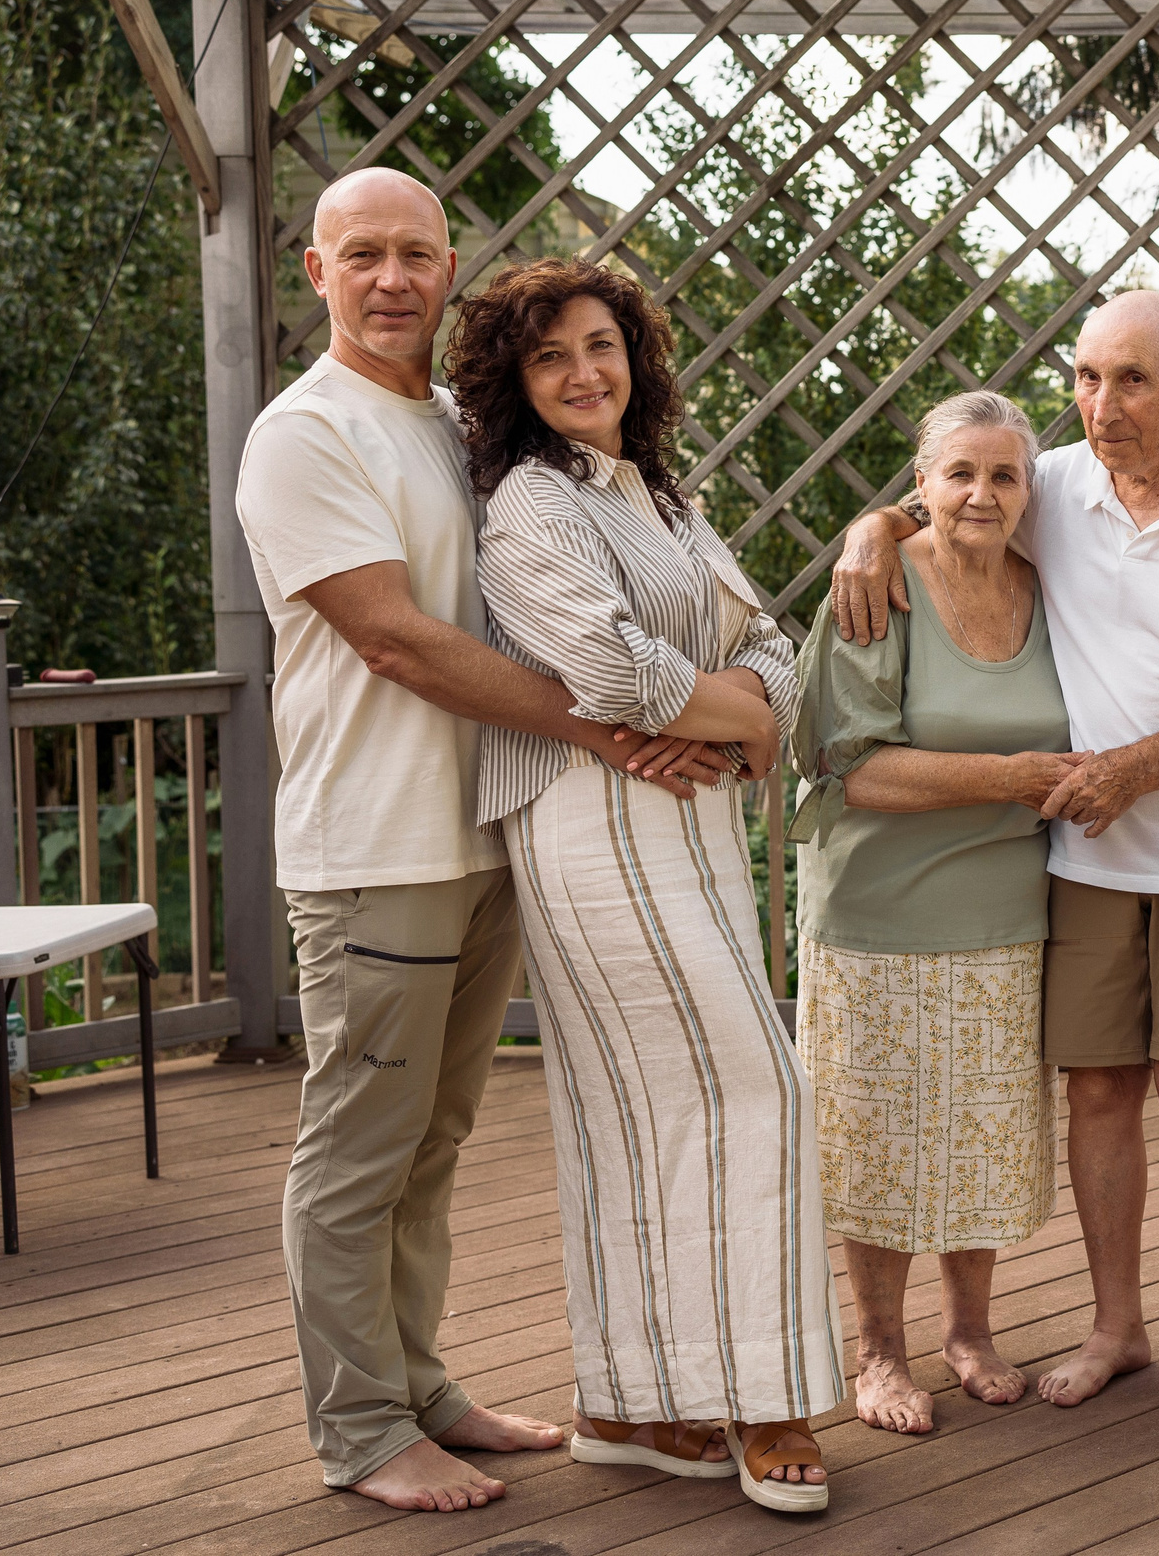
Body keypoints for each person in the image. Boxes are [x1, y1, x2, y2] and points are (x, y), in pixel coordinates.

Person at [237, 170, 723, 1513]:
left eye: (415, 253)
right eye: (363, 255)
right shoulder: (305, 432)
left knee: (434, 1137)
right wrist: (608, 725)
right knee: (357, 1148)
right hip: (375, 844)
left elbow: (586, 571)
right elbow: (397, 636)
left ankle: (421, 1384)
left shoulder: (462, 424)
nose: (392, 278)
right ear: (318, 271)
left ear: (449, 270)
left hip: (485, 834)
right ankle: (359, 1425)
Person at [827, 291, 1159, 1423]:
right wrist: (872, 528)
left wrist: (1133, 770)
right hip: (1084, 860)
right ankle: (1116, 1327)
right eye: (1087, 378)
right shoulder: (1054, 485)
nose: (1103, 406)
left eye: (1133, 380)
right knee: (1098, 1091)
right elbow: (953, 499)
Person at [450, 258, 838, 1513]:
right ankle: (767, 1397)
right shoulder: (530, 504)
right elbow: (607, 676)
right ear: (515, 381)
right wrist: (738, 720)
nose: (581, 372)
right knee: (757, 1084)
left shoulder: (661, 497)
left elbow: (772, 645)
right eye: (549, 355)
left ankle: (631, 1402)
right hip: (595, 818)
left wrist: (739, 720)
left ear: (636, 358)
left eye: (600, 345)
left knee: (642, 1108)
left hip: (691, 823)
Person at [791, 392, 1082, 1436]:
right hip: (877, 908)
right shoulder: (878, 588)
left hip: (1005, 907)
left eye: (1004, 476)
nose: (981, 493)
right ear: (920, 485)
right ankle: (879, 1353)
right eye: (959, 472)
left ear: (1027, 494)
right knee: (875, 1141)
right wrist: (1013, 775)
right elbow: (853, 770)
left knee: (979, 1134)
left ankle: (970, 1334)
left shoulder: (1050, 589)